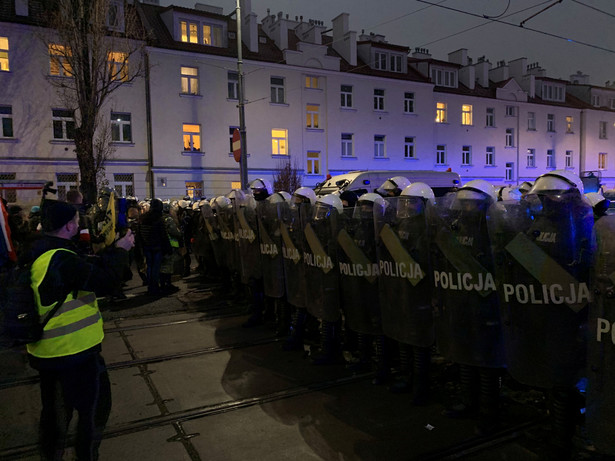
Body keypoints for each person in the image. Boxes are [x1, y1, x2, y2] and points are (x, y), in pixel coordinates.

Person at [25, 200, 134, 461]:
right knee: (93, 412)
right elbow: (104, 282)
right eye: (76, 219)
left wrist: (108, 252)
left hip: (46, 351)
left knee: (54, 415)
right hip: (75, 353)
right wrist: (120, 251)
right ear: (70, 225)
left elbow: (87, 269)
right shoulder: (60, 258)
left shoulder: (39, 250)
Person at [137, 199, 172, 295]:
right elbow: (163, 235)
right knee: (156, 268)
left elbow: (139, 234)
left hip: (146, 247)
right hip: (156, 247)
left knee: (149, 267)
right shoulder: (158, 219)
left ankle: (150, 286)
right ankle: (155, 286)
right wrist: (168, 248)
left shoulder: (143, 218)